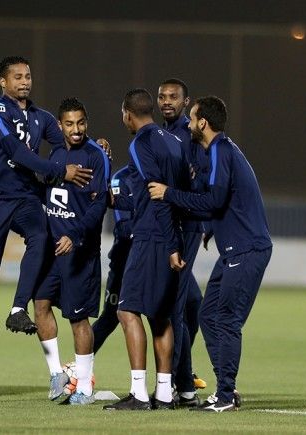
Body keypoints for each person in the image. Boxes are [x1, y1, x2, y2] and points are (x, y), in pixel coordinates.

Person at [0, 56, 93, 396]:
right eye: (17, 76)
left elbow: (68, 140)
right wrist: (60, 171)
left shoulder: (42, 117)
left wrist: (94, 148)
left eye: (27, 76)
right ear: (3, 82)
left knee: (40, 235)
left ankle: (17, 308)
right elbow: (15, 151)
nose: (24, 81)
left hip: (25, 198)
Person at [148, 96, 272, 412]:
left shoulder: (220, 150)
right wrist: (212, 227)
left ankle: (226, 396)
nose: (189, 123)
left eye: (192, 118)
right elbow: (225, 199)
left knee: (227, 320)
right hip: (234, 250)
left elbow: (215, 200)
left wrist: (168, 193)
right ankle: (225, 388)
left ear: (202, 123)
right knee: (208, 314)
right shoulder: (219, 150)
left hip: (246, 249)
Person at [103, 89, 188, 411]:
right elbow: (171, 190)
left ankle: (138, 393)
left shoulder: (141, 143)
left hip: (152, 236)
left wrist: (168, 243)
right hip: (171, 231)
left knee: (126, 311)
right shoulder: (174, 142)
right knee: (160, 315)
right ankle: (164, 393)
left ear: (127, 114)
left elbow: (156, 192)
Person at [34, 97, 110, 405]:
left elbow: (99, 205)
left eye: (80, 123)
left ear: (86, 123)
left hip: (80, 250)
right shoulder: (55, 154)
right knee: (40, 304)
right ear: (60, 125)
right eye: (69, 123)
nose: (76, 129)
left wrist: (74, 235)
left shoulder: (95, 155)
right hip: (52, 250)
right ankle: (57, 374)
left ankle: (85, 386)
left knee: (78, 319)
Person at [157, 78, 206, 404]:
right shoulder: (163, 135)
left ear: (186, 102)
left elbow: (203, 180)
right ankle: (184, 379)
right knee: (190, 303)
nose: (166, 101)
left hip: (185, 227)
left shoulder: (189, 137)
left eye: (173, 97)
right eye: (162, 96)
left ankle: (178, 382)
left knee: (178, 307)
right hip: (174, 226)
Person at [90, 165, 133, 354]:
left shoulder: (161, 176)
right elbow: (124, 226)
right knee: (110, 316)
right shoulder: (121, 178)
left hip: (153, 258)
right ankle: (80, 366)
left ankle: (181, 370)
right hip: (123, 259)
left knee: (183, 310)